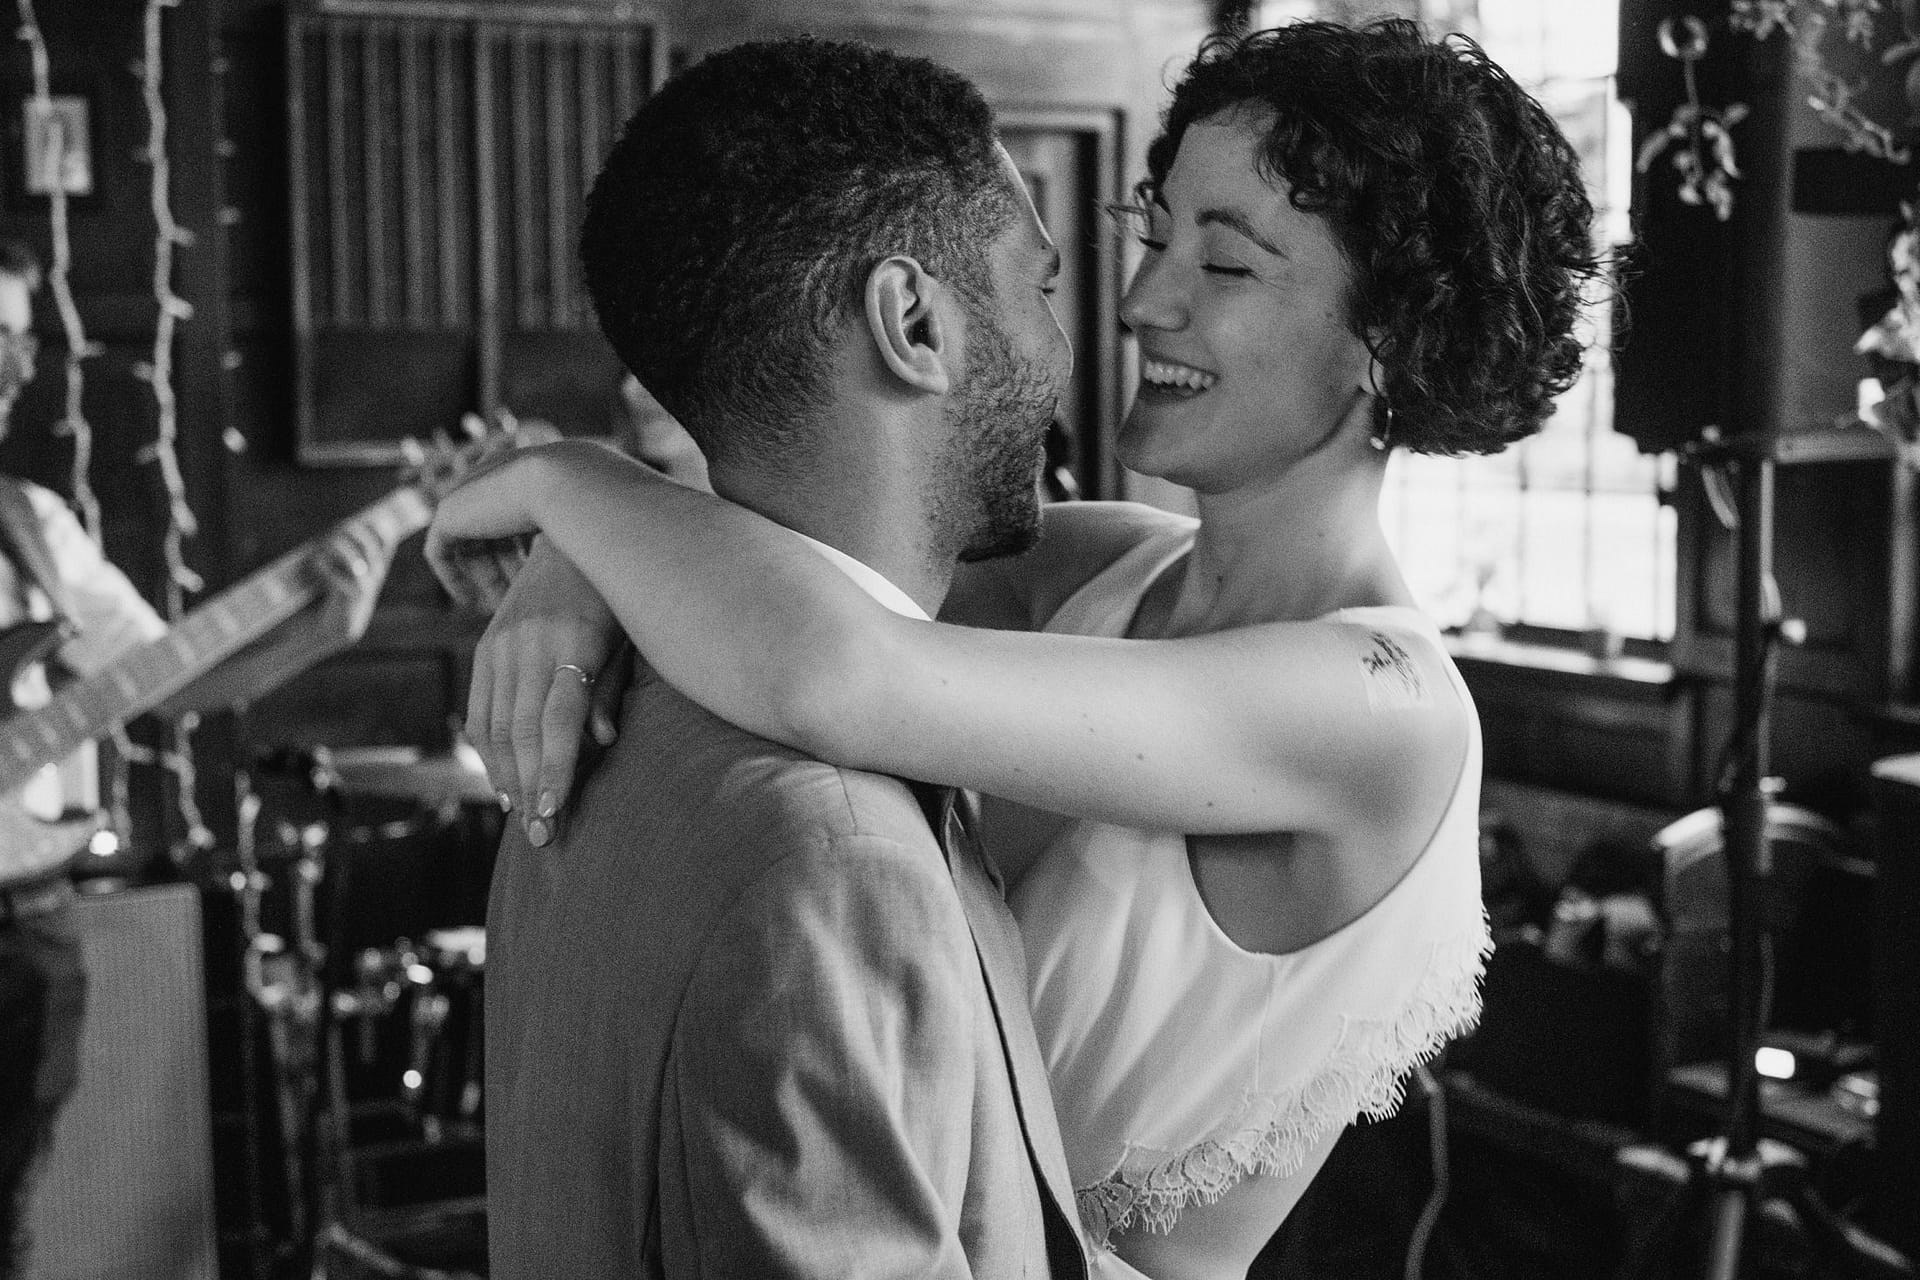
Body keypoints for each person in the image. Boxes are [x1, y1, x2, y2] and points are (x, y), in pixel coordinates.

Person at [432, 19, 1603, 1278]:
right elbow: (787, 545)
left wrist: (562, 480)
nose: (1146, 298)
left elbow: (839, 671)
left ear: (1391, 339)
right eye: (1158, 235)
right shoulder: (1108, 564)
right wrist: (573, 569)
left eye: (1229, 264)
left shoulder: (1386, 712)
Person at [430, 39, 1087, 1278]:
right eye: (1037, 289)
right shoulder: (833, 863)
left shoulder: (611, 706)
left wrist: (582, 517)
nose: (1060, 345)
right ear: (914, 323)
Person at [0, 238, 397, 1279]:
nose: (11, 369)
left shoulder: (31, 527)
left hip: (22, 925)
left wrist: (321, 630)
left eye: (17, 340)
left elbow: (162, 683)